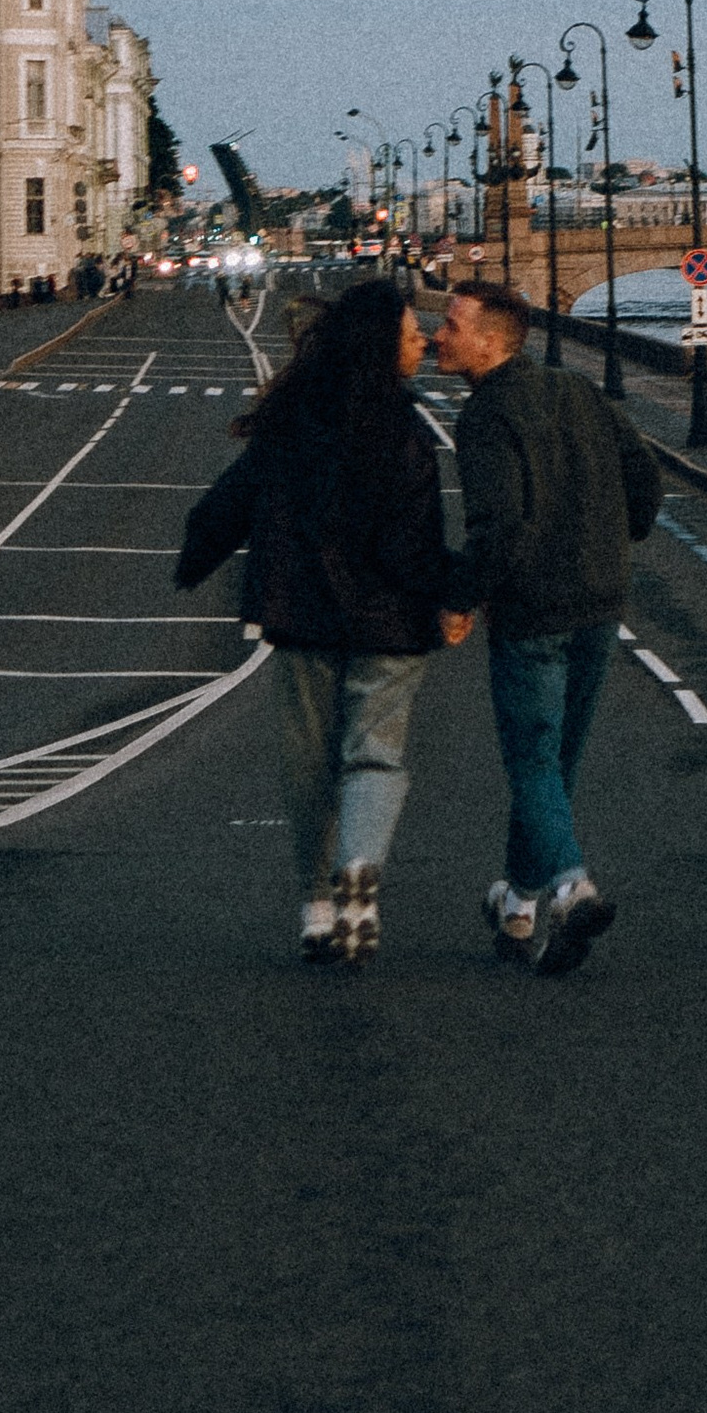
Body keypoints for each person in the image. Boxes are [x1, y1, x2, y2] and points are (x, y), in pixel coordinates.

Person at [175, 277, 460, 968]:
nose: (424, 337)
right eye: (411, 330)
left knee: (308, 766)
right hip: (388, 625)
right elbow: (409, 547)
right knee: (374, 755)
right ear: (381, 345)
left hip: (300, 617)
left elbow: (229, 501)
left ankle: (316, 908)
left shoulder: (293, 419)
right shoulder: (404, 434)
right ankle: (360, 862)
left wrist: (196, 557)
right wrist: (457, 594)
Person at [432, 280, 663, 976]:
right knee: (554, 768)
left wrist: (462, 599)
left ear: (491, 340)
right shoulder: (578, 390)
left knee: (533, 760)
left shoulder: (485, 417)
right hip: (599, 601)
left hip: (532, 611)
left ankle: (573, 889)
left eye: (449, 323)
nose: (436, 334)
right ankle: (520, 905)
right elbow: (644, 477)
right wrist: (616, 541)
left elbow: (498, 526)